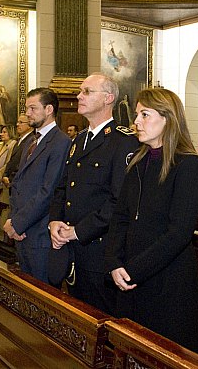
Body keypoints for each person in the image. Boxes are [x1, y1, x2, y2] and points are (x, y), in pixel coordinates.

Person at [105, 88, 198, 355]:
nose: (136, 121)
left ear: (168, 119)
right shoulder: (137, 163)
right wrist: (115, 262)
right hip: (128, 275)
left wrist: (132, 270)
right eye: (137, 114)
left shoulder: (189, 166)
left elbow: (179, 233)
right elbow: (120, 218)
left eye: (144, 114)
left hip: (167, 281)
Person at [48, 73, 138, 313]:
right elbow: (63, 187)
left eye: (87, 91)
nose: (79, 96)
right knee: (78, 315)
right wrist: (55, 220)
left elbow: (119, 201)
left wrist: (78, 231)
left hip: (100, 250)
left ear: (108, 98)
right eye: (80, 91)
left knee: (102, 319)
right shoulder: (78, 140)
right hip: (72, 248)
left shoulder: (123, 141)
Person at [3, 88, 71, 283]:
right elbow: (19, 185)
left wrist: (18, 223)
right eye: (26, 108)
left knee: (42, 294)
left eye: (33, 108)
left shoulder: (60, 142)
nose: (27, 113)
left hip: (40, 233)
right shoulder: (32, 141)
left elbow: (48, 191)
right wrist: (12, 220)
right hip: (23, 231)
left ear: (49, 109)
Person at [2, 114, 34, 188]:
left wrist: (10, 178)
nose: (17, 124)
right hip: (12, 183)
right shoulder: (19, 140)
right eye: (17, 122)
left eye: (21, 122)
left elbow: (23, 163)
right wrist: (5, 175)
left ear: (29, 124)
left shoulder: (32, 140)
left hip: (20, 183)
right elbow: (12, 160)